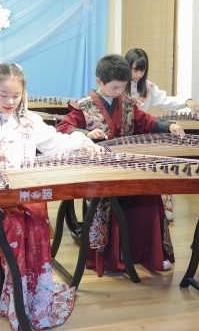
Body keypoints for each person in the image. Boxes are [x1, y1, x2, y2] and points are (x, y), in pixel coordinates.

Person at [0, 62, 105, 330]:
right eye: (3, 95)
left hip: (26, 194)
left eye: (16, 95)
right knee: (13, 227)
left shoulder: (29, 121)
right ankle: (17, 296)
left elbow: (56, 144)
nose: (10, 102)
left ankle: (33, 294)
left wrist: (82, 142)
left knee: (35, 222)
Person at [56, 53, 180, 276]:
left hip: (127, 166)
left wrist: (168, 125)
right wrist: (85, 134)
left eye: (123, 87)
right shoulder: (84, 106)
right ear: (99, 81)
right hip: (99, 170)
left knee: (150, 193)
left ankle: (149, 255)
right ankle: (114, 258)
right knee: (109, 200)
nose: (119, 92)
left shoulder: (128, 104)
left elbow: (146, 121)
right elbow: (63, 128)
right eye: (114, 87)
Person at [125, 47, 199, 221]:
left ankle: (160, 209)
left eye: (142, 70)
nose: (138, 75)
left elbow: (166, 101)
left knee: (160, 164)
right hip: (122, 136)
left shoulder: (148, 87)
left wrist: (186, 101)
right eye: (135, 70)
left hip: (143, 134)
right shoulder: (119, 84)